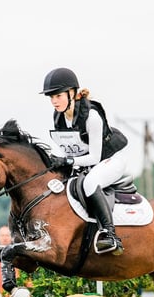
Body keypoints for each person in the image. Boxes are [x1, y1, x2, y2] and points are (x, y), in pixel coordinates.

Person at [41, 67, 131, 255]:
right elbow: (69, 147)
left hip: (110, 158)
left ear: (72, 93)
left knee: (90, 183)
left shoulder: (92, 117)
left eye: (57, 96)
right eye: (51, 97)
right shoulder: (58, 116)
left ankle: (110, 234)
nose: (54, 101)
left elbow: (94, 157)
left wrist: (66, 161)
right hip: (86, 160)